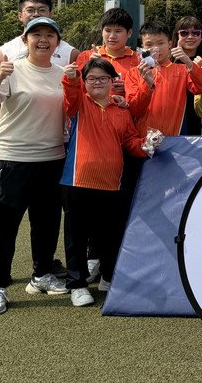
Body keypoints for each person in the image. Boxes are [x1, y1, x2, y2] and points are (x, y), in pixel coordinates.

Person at [0, 17, 69, 316]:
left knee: (47, 223)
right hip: (11, 157)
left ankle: (41, 275)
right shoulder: (12, 69)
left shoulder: (64, 74)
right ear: (26, 40)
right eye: (36, 34)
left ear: (57, 43)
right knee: (4, 227)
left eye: (49, 35)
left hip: (51, 158)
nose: (43, 40)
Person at [60, 59, 158, 306]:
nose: (98, 83)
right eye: (92, 78)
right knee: (77, 237)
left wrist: (146, 145)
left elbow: (130, 142)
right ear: (84, 81)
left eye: (103, 78)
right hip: (77, 180)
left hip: (112, 183)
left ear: (112, 81)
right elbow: (70, 97)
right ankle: (77, 284)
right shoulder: (79, 103)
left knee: (110, 235)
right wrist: (71, 79)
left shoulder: (122, 110)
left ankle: (108, 276)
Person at [0, 0, 80, 120]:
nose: (36, 14)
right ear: (20, 15)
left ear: (50, 14)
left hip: (56, 131)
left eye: (42, 10)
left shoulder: (72, 54)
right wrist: (12, 124)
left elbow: (81, 96)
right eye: (30, 10)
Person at [124, 21, 202, 136]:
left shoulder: (182, 70)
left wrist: (189, 62)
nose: (156, 49)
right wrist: (147, 85)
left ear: (170, 44)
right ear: (142, 47)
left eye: (161, 43)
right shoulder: (134, 73)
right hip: (142, 140)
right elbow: (134, 110)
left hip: (173, 139)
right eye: (149, 45)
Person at [173, 16, 202, 135]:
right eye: (184, 33)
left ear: (201, 37)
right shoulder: (167, 62)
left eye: (196, 33)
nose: (190, 37)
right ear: (177, 36)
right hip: (171, 121)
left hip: (196, 121)